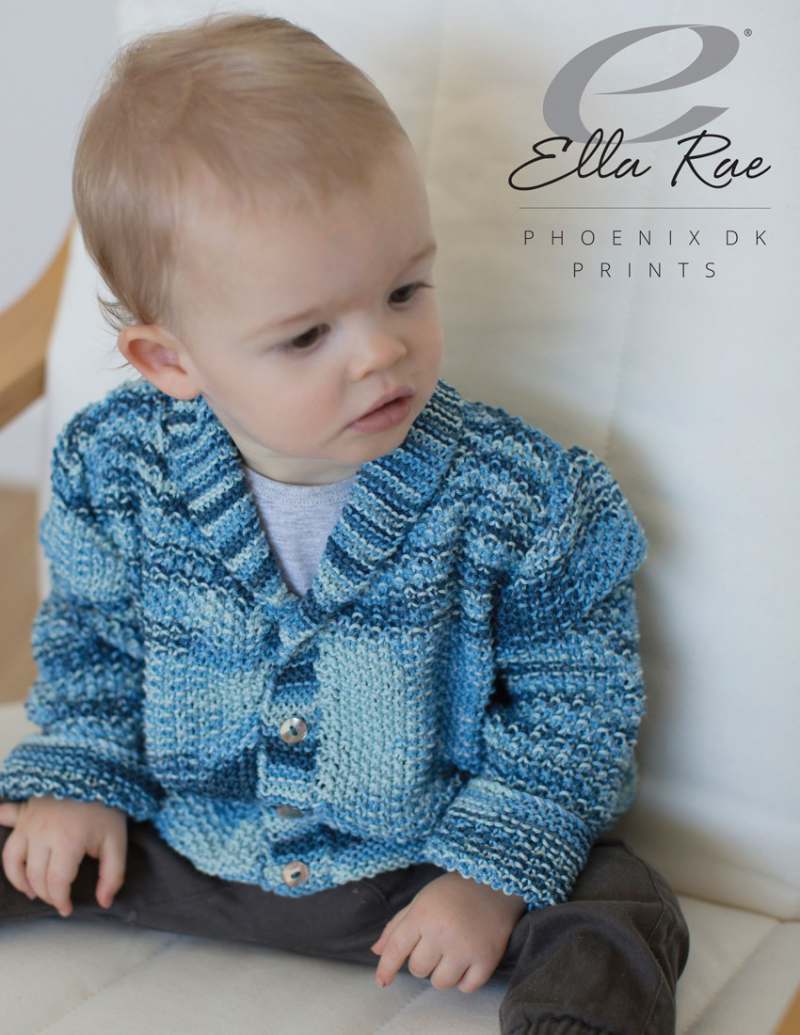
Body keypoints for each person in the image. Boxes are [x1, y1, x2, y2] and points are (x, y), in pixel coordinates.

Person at [0, 12, 689, 1033]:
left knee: (625, 909)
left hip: (419, 868)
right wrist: (82, 778)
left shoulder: (526, 500)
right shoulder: (117, 466)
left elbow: (576, 709)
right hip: (180, 839)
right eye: (306, 335)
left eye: (404, 290)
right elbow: (93, 643)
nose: (380, 353)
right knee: (25, 818)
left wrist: (488, 874)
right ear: (171, 361)